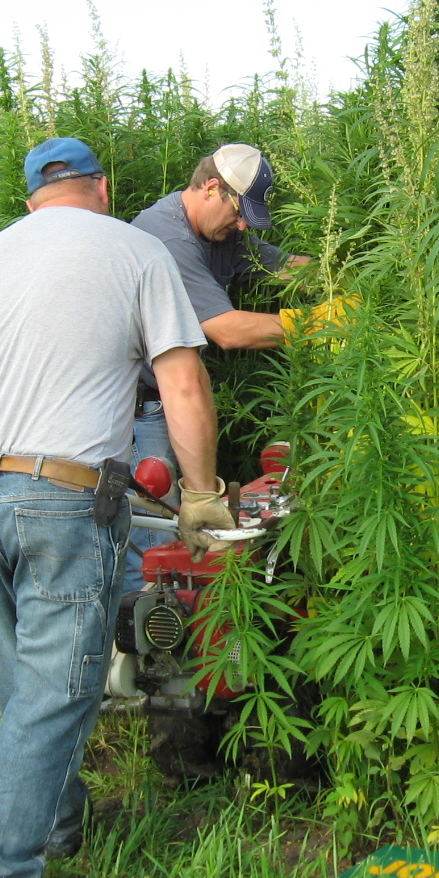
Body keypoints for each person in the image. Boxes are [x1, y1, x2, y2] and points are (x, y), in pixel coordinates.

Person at [0, 136, 234, 878]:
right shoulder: (135, 250)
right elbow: (181, 384)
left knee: (23, 679)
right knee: (61, 688)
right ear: (101, 186)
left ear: (34, 195)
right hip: (63, 496)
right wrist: (203, 493)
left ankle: (57, 828)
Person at [121, 145, 310, 587]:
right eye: (240, 213)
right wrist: (318, 323)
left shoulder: (220, 233)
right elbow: (227, 330)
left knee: (184, 541)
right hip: (140, 411)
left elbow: (284, 267)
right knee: (157, 549)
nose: (243, 225)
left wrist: (345, 273)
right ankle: (145, 646)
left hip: (176, 401)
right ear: (212, 189)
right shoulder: (165, 239)